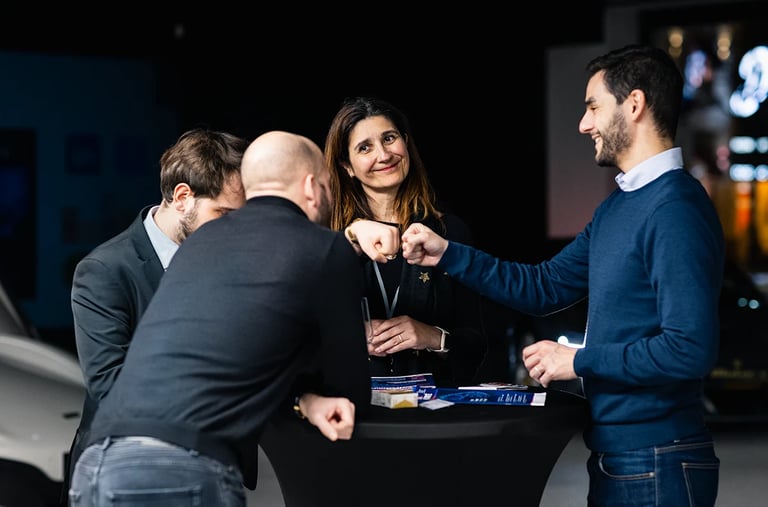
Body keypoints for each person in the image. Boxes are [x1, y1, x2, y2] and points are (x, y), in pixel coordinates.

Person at [401, 45, 724, 507]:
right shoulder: (619, 206)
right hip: (623, 455)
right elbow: (544, 286)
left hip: (657, 457)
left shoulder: (675, 210)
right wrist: (449, 254)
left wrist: (578, 361)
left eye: (593, 107)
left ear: (634, 105)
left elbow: (689, 349)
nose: (583, 123)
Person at [68, 130, 396, 506]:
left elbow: (224, 352)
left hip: (98, 466)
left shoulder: (197, 248)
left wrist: (302, 398)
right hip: (182, 463)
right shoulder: (322, 248)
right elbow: (349, 390)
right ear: (311, 187)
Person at [65, 127, 249, 499]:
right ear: (182, 197)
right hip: (126, 474)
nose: (236, 230)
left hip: (216, 466)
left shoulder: (234, 260)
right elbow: (109, 383)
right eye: (224, 214)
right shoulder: (104, 269)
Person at [325, 96, 488, 385]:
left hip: (432, 412)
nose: (384, 155)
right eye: (365, 148)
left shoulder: (449, 232)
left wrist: (431, 336)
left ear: (406, 142)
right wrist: (345, 336)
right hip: (352, 409)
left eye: (389, 138)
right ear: (346, 166)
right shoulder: (327, 238)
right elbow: (293, 334)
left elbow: (478, 343)